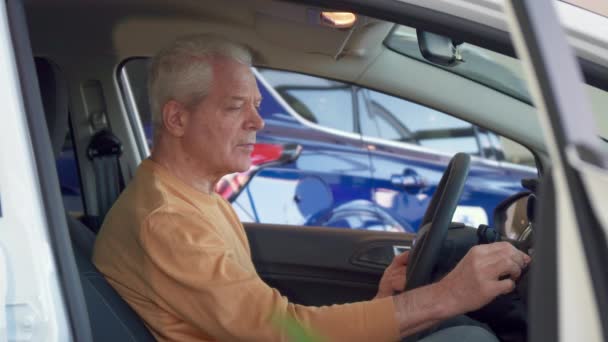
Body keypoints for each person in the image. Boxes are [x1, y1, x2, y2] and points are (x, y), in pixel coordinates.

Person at [93, 34, 530, 342]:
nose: (258, 122)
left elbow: (268, 324)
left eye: (257, 106)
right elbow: (282, 330)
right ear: (176, 119)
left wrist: (386, 304)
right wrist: (445, 296)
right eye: (234, 107)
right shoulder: (166, 221)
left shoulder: (194, 198)